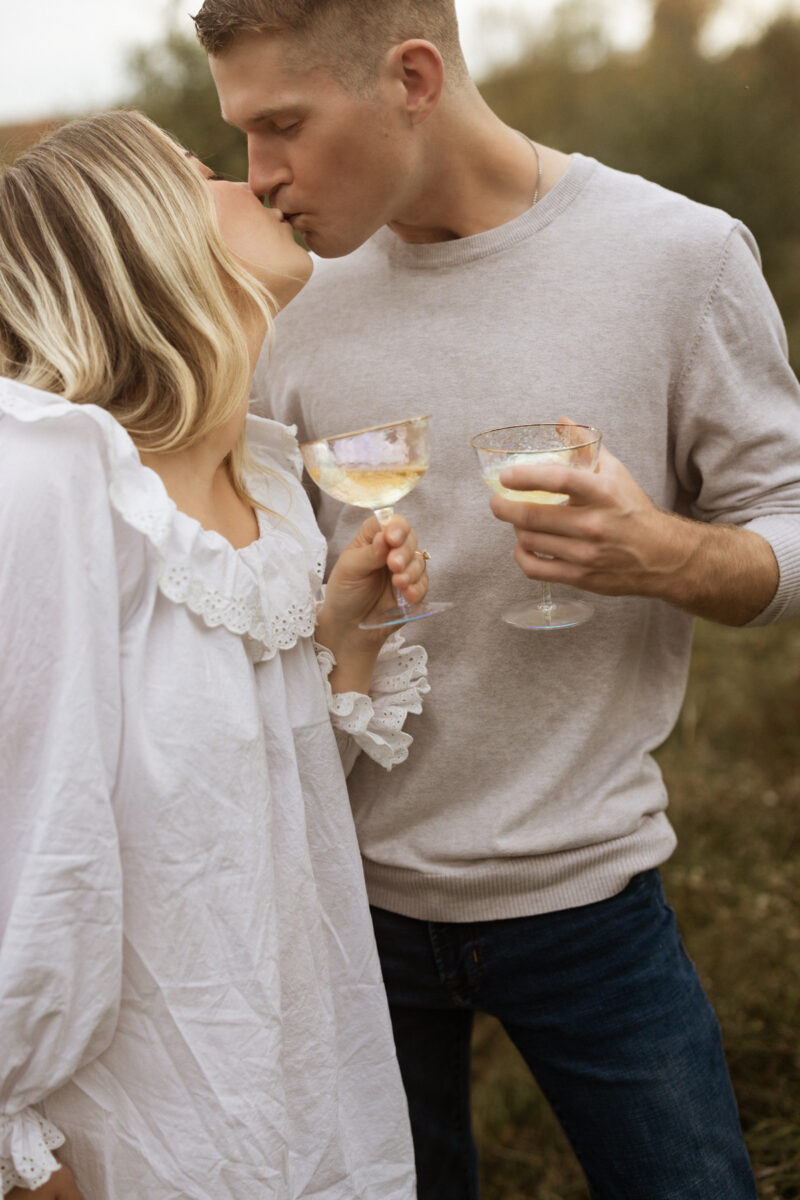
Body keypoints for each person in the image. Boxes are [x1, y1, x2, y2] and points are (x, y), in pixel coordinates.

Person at [192, 2, 800, 1198]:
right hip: (338, 905)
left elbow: (784, 515)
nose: (259, 180)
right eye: (243, 135)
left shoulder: (677, 255)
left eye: (283, 127)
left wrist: (661, 556)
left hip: (589, 901)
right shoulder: (279, 291)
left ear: (410, 75)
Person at [0, 109, 431, 1199]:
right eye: (202, 176)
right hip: (138, 1141)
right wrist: (16, 1147)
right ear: (138, 239)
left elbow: (254, 822)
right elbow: (31, 847)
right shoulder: (50, 486)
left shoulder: (272, 487)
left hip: (302, 1098)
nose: (253, 183)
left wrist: (337, 631)